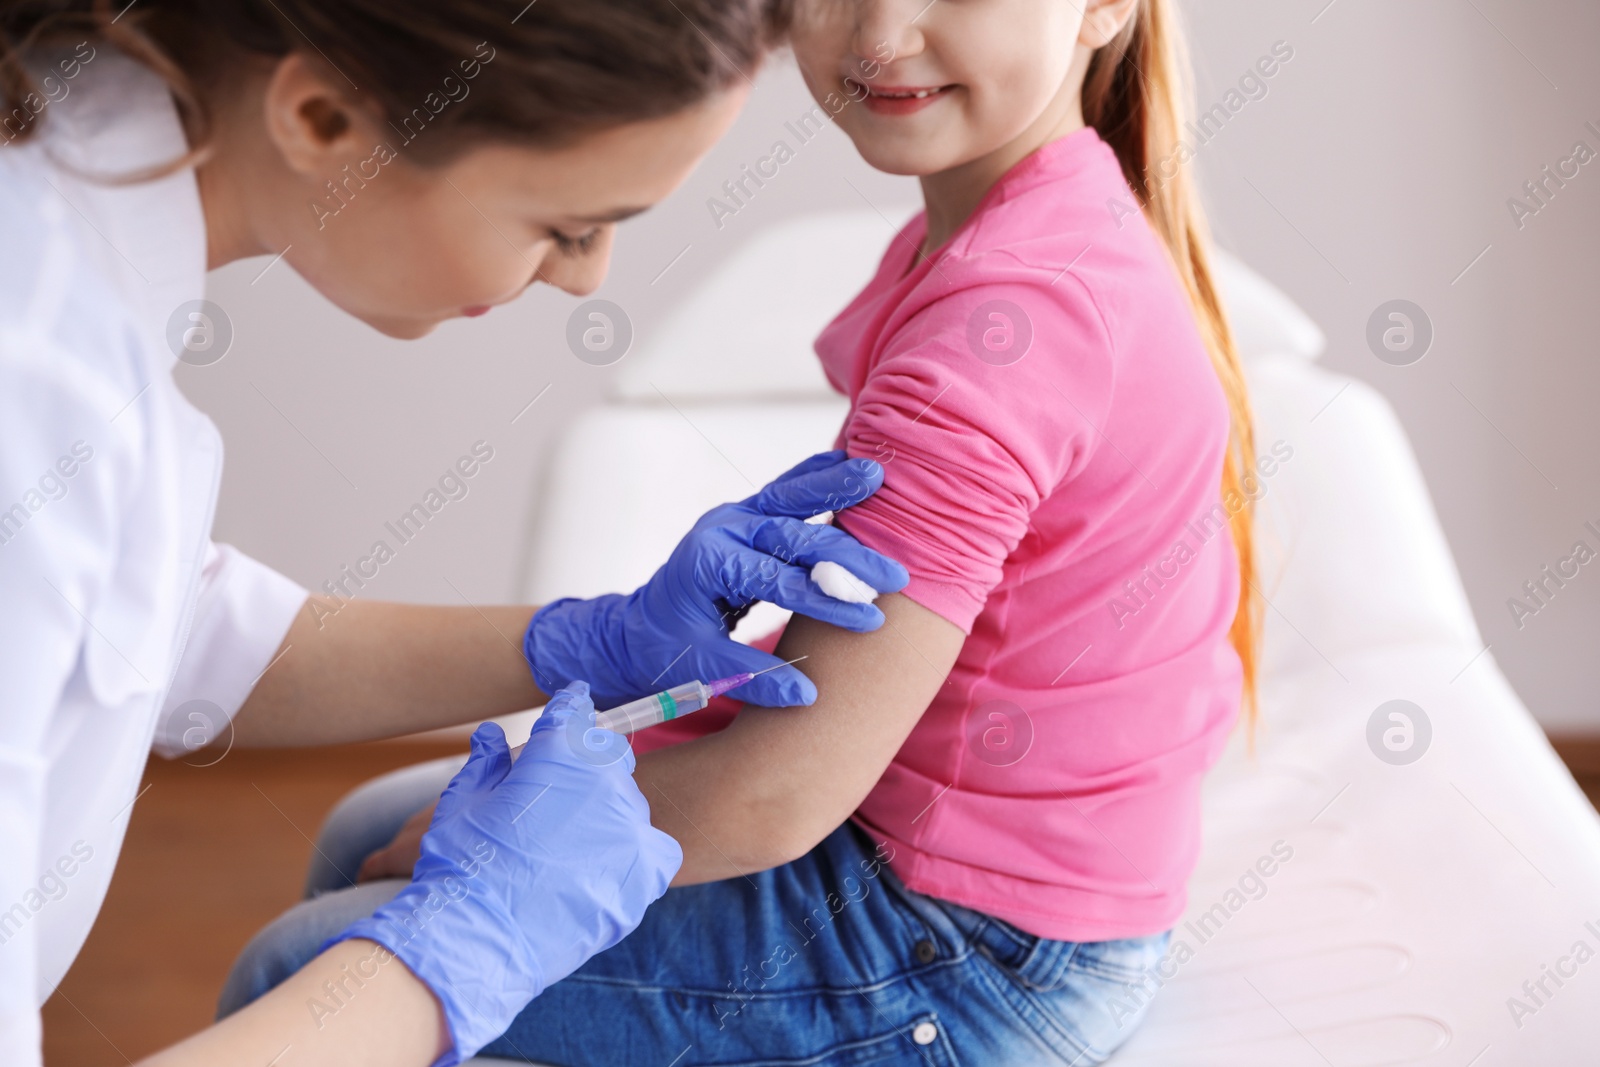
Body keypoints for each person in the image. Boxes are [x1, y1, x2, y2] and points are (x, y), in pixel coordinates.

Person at [223, 0, 1263, 1063]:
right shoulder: (1026, 218)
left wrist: (480, 852)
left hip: (970, 951)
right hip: (964, 865)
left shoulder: (1005, 330)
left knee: (307, 972)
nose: (880, 35)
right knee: (369, 836)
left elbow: (773, 796)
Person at [0, 1, 909, 1065]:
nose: (585, 276)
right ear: (325, 117)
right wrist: (469, 945)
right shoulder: (36, 378)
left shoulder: (64, 247)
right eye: (568, 224)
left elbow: (150, 632)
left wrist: (592, 639)